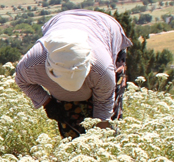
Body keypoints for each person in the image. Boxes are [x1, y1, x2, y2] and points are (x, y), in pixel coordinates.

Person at [14, 9, 133, 139]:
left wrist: (101, 141)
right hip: (62, 21)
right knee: (69, 125)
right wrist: (47, 102)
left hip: (105, 28)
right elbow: (22, 81)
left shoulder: (103, 68)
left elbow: (104, 108)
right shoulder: (33, 63)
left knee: (111, 122)